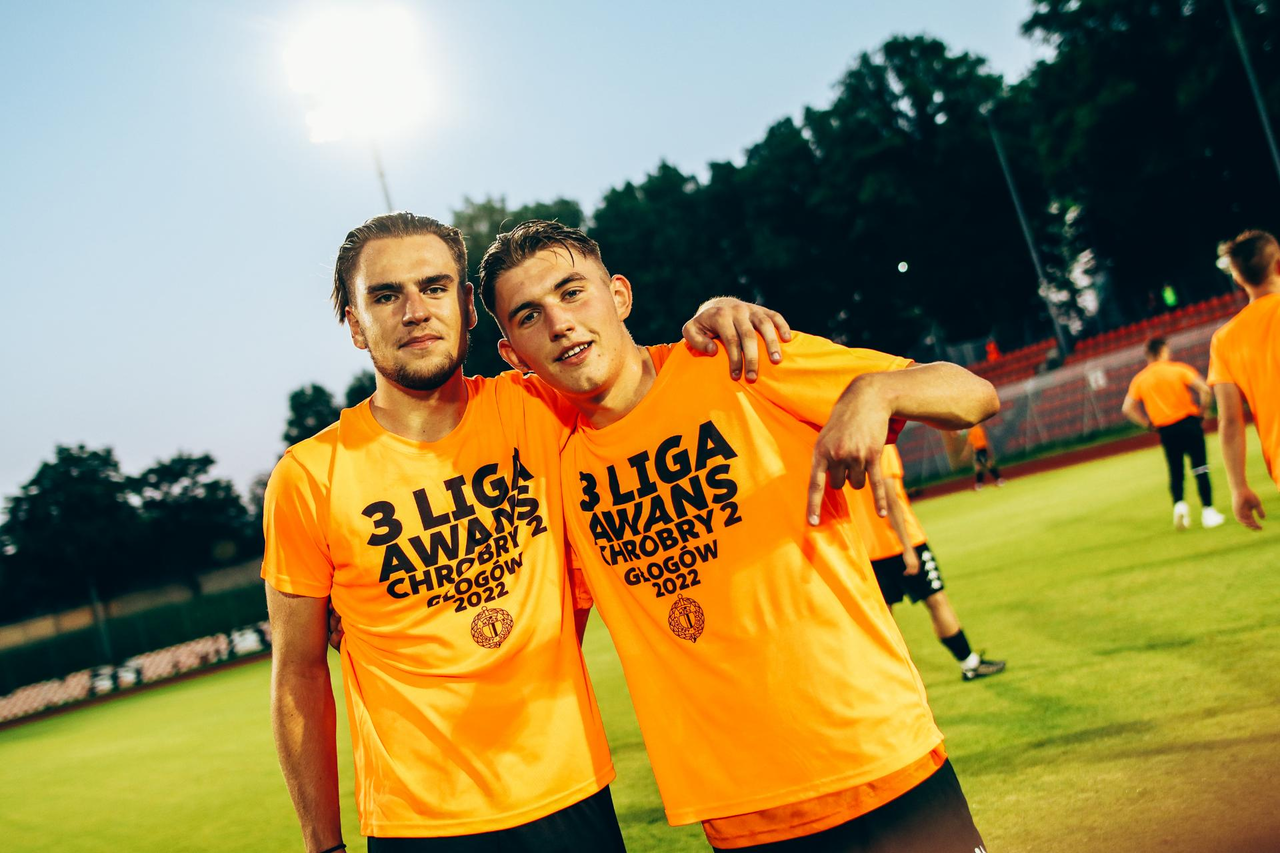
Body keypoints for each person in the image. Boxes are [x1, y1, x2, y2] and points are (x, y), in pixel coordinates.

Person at [262, 212, 789, 853]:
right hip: (418, 824)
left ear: (468, 307)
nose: (415, 312)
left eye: (434, 288)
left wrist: (717, 313)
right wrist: (323, 845)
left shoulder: (543, 409)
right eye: (385, 295)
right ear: (355, 323)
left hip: (570, 796)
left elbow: (635, 372)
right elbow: (298, 673)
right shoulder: (310, 477)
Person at [480, 220, 998, 852]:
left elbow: (973, 395)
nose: (560, 323)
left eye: (572, 292)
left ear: (619, 295)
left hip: (881, 760)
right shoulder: (549, 464)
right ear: (514, 356)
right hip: (741, 815)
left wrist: (878, 389)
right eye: (529, 315)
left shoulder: (735, 360)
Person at [849, 445, 1005, 681]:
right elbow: (890, 499)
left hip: (869, 550)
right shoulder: (880, 444)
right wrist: (908, 548)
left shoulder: (844, 447)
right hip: (902, 543)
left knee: (883, 619)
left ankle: (889, 680)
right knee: (937, 602)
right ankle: (970, 664)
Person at [1209, 230, 1280, 531]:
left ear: (1237, 278)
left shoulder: (1225, 340)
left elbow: (1230, 421)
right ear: (1278, 265)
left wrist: (1238, 487)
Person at [1121, 338, 1225, 530]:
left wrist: (1147, 424)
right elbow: (1204, 389)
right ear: (1162, 351)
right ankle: (1208, 512)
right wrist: (1203, 411)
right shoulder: (1178, 370)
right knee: (1200, 467)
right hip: (1189, 423)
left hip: (1166, 429)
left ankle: (1179, 505)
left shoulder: (1140, 379)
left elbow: (1127, 408)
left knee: (1176, 471)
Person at [966, 423, 1002, 489]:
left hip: (980, 449)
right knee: (979, 467)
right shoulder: (979, 429)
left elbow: (970, 443)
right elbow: (985, 440)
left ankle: (999, 480)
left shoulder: (974, 431)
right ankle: (980, 484)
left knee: (986, 465)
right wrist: (989, 449)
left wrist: (966, 454)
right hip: (980, 450)